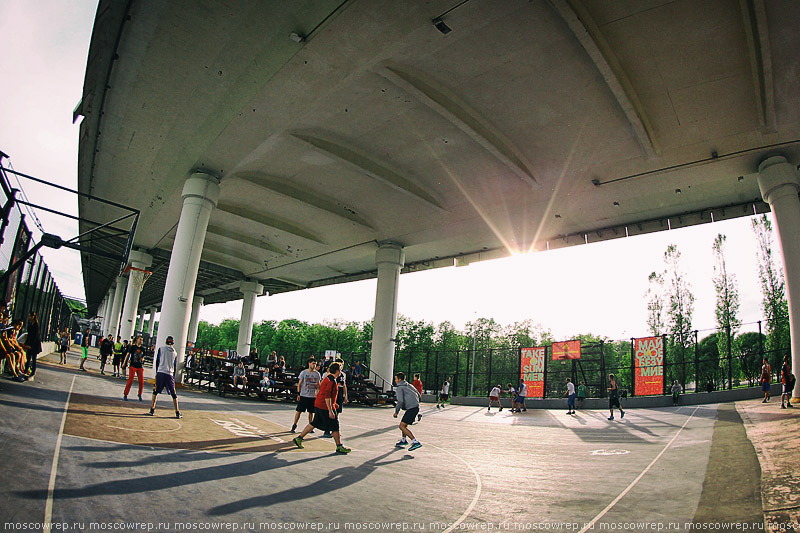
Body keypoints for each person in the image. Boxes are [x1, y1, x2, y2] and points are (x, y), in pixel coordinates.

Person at [292, 362, 350, 454]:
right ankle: (339, 446)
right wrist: (331, 410)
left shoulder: (327, 378)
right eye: (339, 370)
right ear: (336, 371)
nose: (340, 372)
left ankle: (299, 438)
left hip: (320, 405)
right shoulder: (332, 381)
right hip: (324, 407)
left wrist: (334, 404)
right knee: (335, 426)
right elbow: (327, 397)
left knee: (314, 423)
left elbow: (326, 395)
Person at [148, 335, 182, 419]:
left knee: (155, 391)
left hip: (161, 372)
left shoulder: (161, 349)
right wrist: (173, 376)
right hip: (169, 373)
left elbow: (157, 361)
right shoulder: (175, 352)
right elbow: (174, 365)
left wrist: (157, 372)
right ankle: (177, 412)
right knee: (174, 394)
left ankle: (152, 409)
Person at [393, 372, 422, 450]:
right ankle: (403, 440)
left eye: (396, 379)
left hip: (411, 408)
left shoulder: (399, 388)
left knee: (401, 426)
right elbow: (418, 394)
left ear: (399, 379)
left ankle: (415, 442)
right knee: (404, 425)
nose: (395, 380)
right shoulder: (409, 385)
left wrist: (396, 412)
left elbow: (400, 401)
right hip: (415, 407)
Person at [291, 358, 321, 433]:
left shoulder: (317, 374)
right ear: (309, 363)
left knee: (311, 412)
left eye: (315, 364)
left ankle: (310, 426)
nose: (314, 365)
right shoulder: (304, 373)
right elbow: (300, 384)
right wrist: (298, 393)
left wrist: (318, 390)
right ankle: (294, 424)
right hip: (304, 395)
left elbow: (318, 385)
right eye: (313, 363)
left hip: (312, 396)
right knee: (299, 411)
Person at [323, 358, 349, 438]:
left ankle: (335, 430)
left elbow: (344, 385)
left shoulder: (343, 374)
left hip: (340, 393)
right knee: (330, 412)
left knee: (337, 413)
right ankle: (327, 430)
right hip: (333, 393)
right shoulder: (330, 375)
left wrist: (345, 396)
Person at [123, 336, 146, 401]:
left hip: (139, 366)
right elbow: (128, 355)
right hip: (133, 366)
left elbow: (143, 357)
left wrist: (142, 359)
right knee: (130, 380)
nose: (141, 341)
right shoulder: (133, 347)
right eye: (140, 339)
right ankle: (125, 394)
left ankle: (140, 394)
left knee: (141, 382)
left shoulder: (142, 349)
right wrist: (124, 363)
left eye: (142, 340)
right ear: (137, 340)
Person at [22, 312, 42, 378]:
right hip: (31, 343)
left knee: (33, 359)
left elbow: (35, 336)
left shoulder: (36, 325)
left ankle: (32, 372)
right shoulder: (32, 324)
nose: (29, 318)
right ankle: (26, 370)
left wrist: (31, 345)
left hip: (34, 344)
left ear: (33, 316)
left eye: (29, 316)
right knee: (29, 358)